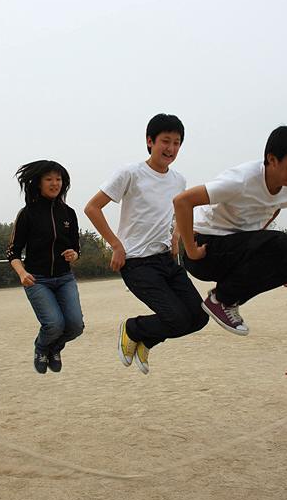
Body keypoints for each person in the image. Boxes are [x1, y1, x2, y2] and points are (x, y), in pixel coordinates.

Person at [84, 113, 208, 375]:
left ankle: (146, 341)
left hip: (166, 260)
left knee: (199, 317)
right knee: (176, 318)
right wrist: (116, 245)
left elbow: (180, 211)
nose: (171, 148)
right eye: (166, 141)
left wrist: (176, 236)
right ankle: (133, 329)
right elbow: (92, 208)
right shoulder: (131, 173)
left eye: (177, 143)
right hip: (137, 263)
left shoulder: (178, 180)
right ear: (150, 141)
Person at [173, 124, 287, 336]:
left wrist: (272, 260)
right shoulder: (241, 180)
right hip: (206, 251)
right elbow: (182, 201)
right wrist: (191, 250)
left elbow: (272, 211)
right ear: (272, 159)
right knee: (280, 242)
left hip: (236, 251)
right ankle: (221, 300)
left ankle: (227, 298)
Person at [7, 160, 84, 374]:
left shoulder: (69, 213)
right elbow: (12, 251)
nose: (55, 183)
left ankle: (55, 348)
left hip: (65, 278)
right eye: (49, 179)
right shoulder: (27, 213)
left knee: (76, 326)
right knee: (54, 324)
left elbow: (76, 247)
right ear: (38, 183)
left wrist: (74, 254)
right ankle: (41, 348)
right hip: (37, 280)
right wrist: (22, 273)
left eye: (58, 179)